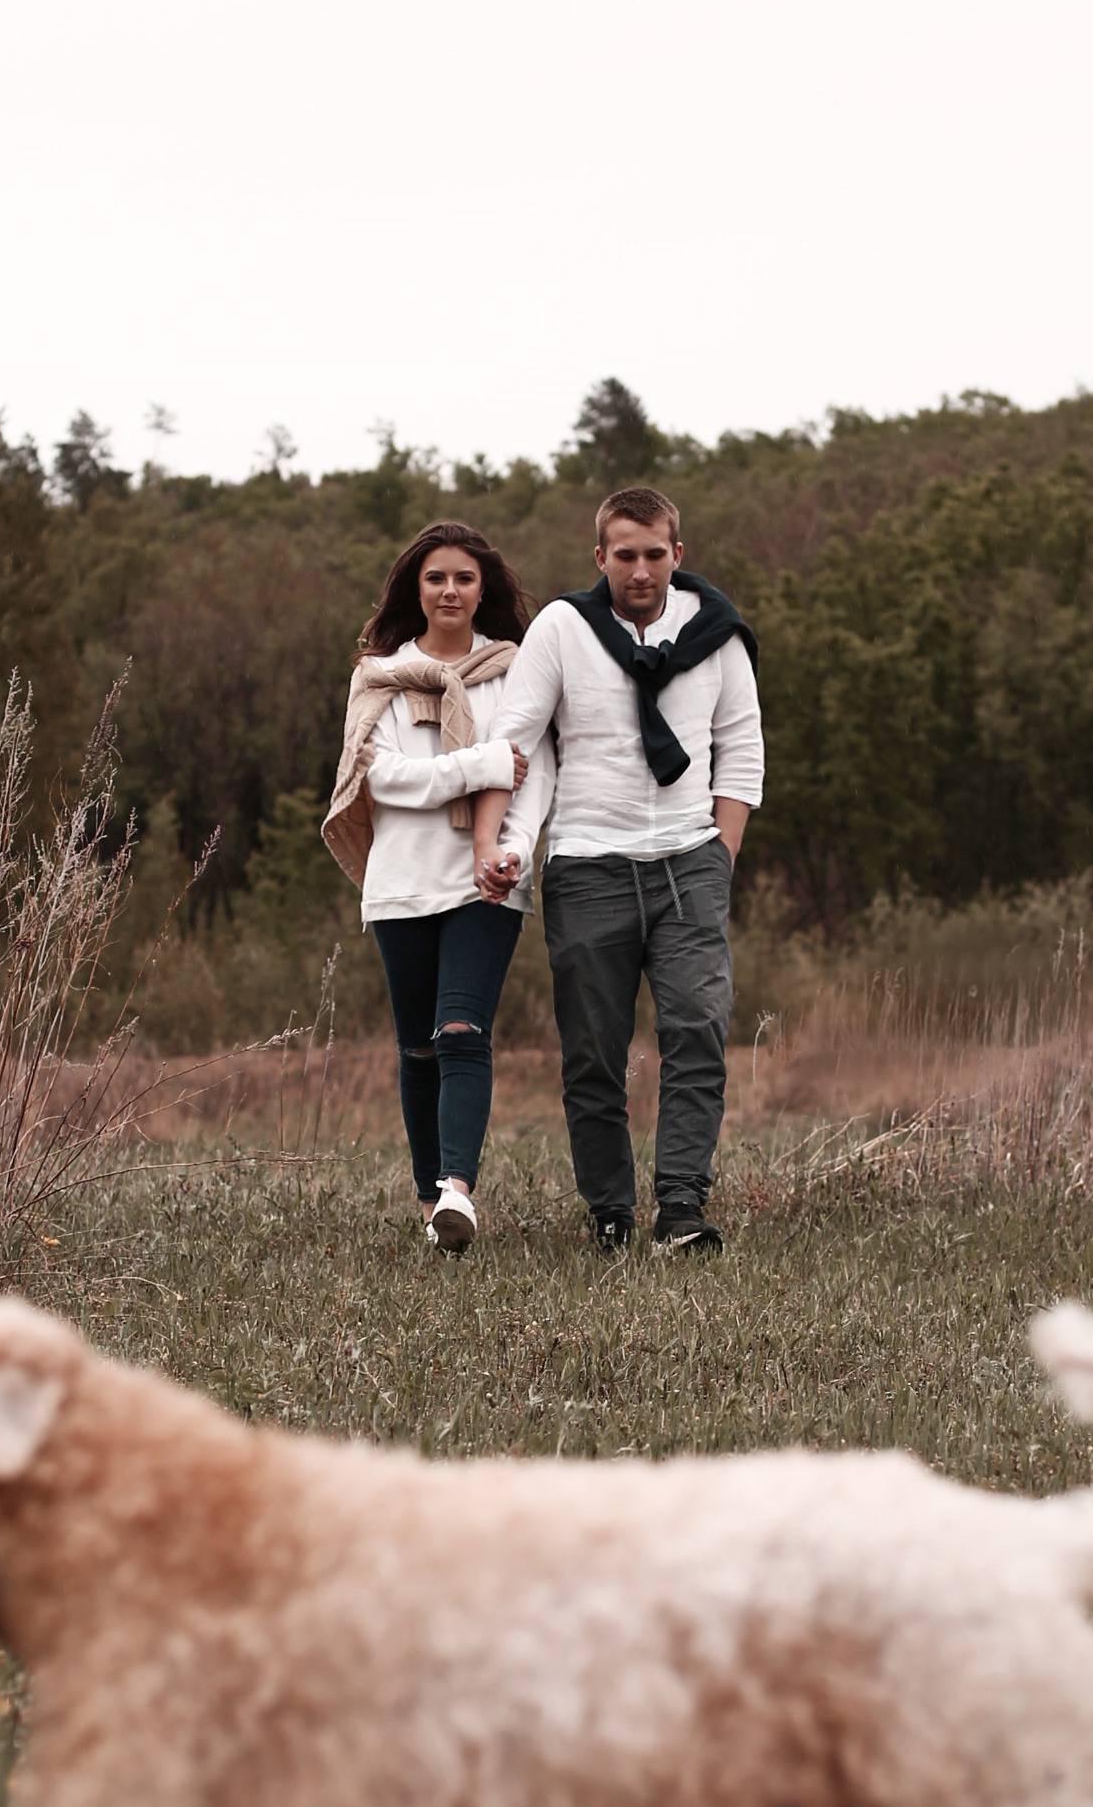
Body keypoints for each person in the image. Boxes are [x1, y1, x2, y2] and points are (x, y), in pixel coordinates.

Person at [475, 483, 763, 1252]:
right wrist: (509, 843)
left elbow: (742, 753)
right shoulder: (562, 630)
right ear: (600, 556)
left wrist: (718, 859)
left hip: (688, 863)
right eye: (625, 555)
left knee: (697, 1031)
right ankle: (610, 1210)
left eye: (655, 554)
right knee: (594, 1050)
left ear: (679, 554)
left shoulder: (719, 634)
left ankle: (681, 1207)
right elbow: (519, 742)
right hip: (588, 865)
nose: (641, 570)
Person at [323, 519, 553, 1251]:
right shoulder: (380, 677)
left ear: (484, 587)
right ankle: (432, 1206)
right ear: (413, 589)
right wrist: (478, 767)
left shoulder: (517, 672)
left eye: (463, 577)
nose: (449, 589)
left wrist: (513, 850)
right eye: (435, 577)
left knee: (461, 1031)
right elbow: (380, 778)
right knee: (418, 1046)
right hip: (402, 881)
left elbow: (534, 774)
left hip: (486, 882)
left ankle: (459, 1187)